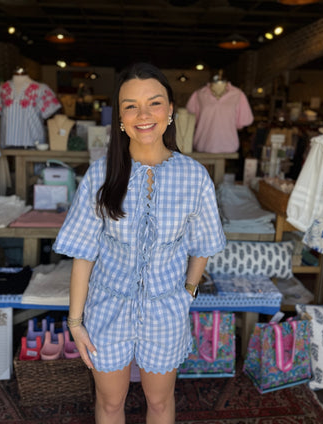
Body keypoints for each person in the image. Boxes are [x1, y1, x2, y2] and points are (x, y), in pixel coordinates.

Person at [53, 62, 226, 424]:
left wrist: (188, 292)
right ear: (119, 118)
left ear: (170, 112)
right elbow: (83, 255)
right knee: (111, 403)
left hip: (166, 311)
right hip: (106, 310)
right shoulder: (102, 174)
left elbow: (204, 243)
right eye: (131, 105)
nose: (143, 114)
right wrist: (75, 322)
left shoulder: (193, 176)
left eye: (154, 103)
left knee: (160, 404)